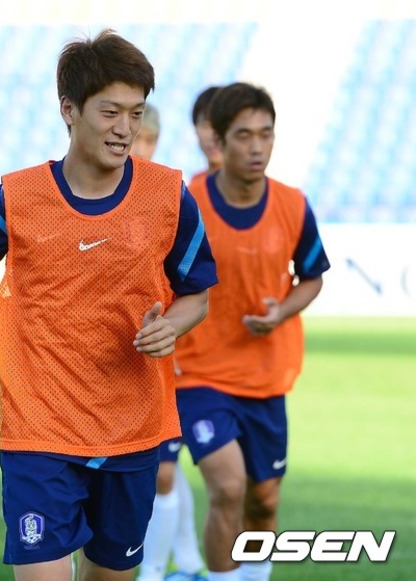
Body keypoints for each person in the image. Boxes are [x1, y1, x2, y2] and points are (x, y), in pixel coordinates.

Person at [0, 29, 218, 581]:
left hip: (132, 426)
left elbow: (197, 293)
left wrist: (172, 326)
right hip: (38, 426)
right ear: (69, 110)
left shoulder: (169, 197)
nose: (125, 128)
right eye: (110, 112)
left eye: (135, 113)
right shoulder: (14, 198)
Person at [174, 82, 330, 581]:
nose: (257, 146)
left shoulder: (293, 205)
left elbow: (312, 277)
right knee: (228, 487)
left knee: (263, 501)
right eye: (244, 135)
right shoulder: (186, 205)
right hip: (198, 374)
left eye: (266, 134)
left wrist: (281, 312)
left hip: (265, 377)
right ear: (219, 141)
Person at [133, 106, 206, 581]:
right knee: (163, 468)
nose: (139, 147)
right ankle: (191, 559)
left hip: (167, 355)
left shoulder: (169, 198)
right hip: (120, 359)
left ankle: (156, 570)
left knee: (163, 469)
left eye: (148, 139)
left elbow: (195, 288)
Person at [187, 86, 224, 190]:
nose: (214, 136)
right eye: (206, 126)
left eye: (221, 125)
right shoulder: (191, 190)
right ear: (195, 129)